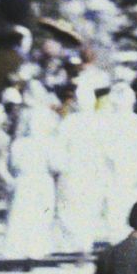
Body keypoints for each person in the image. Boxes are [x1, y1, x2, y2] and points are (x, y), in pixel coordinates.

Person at [95, 82, 137, 245]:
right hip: (133, 176)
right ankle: (129, 243)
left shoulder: (104, 122)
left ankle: (117, 244)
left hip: (113, 176)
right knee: (131, 210)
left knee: (114, 212)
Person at [3, 91, 62, 266]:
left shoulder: (18, 144)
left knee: (19, 218)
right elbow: (57, 165)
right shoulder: (49, 143)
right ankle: (35, 252)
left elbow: (11, 164)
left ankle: (15, 253)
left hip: (22, 183)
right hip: (42, 182)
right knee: (40, 219)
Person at [52, 84, 109, 256]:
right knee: (90, 209)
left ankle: (73, 246)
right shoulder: (101, 122)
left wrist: (58, 168)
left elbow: (58, 148)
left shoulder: (69, 122)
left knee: (71, 209)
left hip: (72, 172)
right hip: (94, 172)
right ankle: (85, 245)